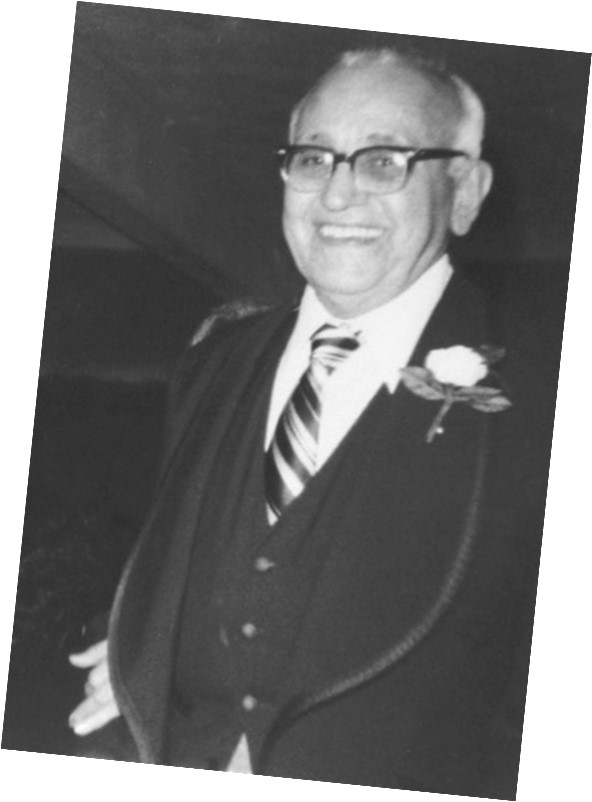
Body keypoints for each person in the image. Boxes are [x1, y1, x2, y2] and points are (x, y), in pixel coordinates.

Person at [68, 48, 545, 797]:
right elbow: (175, 555)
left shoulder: (550, 393)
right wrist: (142, 646)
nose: (338, 193)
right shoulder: (213, 359)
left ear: (464, 191)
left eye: (384, 161)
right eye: (313, 159)